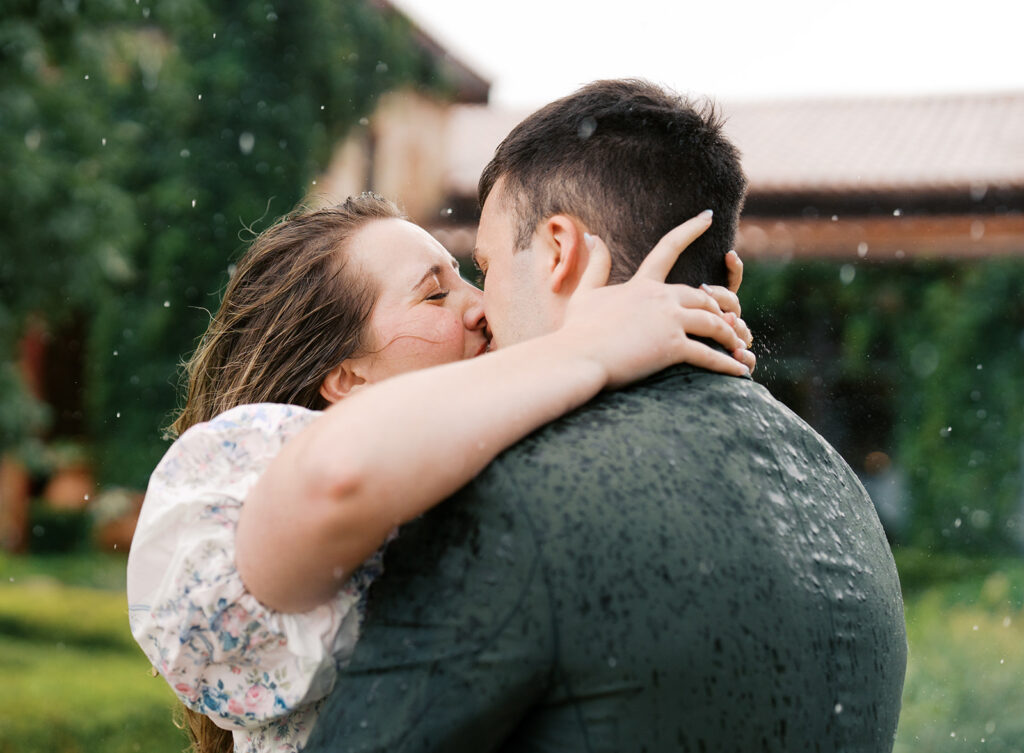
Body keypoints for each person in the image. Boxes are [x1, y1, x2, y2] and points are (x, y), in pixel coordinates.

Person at [304, 80, 908, 753]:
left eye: (489, 265)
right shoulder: (836, 490)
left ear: (560, 250)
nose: (479, 308)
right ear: (727, 276)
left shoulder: (516, 498)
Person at [127, 193, 755, 753]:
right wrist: (584, 346)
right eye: (435, 293)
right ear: (346, 376)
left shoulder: (504, 449)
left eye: (469, 279)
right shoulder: (250, 475)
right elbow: (336, 481)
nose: (481, 306)